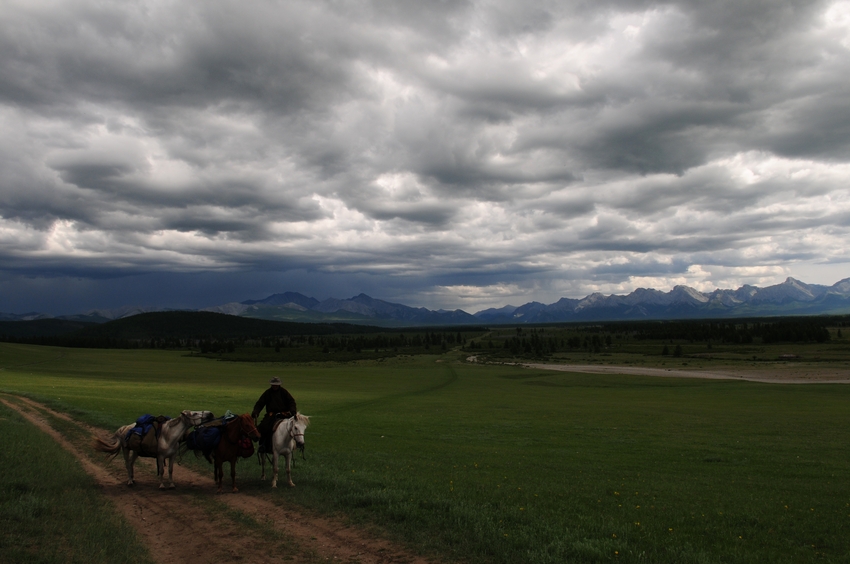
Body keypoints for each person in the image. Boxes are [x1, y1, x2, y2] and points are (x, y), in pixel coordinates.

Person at [251, 376, 297, 453]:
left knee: (295, 427)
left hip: (284, 414)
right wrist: (256, 411)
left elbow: (291, 401)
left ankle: (295, 444)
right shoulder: (267, 393)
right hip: (271, 416)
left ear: (279, 385)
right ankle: (263, 445)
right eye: (273, 384)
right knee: (263, 427)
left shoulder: (284, 392)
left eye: (276, 384)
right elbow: (260, 403)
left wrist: (292, 410)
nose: (275, 386)